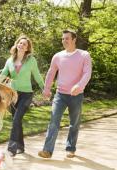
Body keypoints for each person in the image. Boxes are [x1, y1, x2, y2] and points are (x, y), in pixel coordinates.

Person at [38, 29, 92, 159]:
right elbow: (51, 73)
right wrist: (46, 89)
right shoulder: (57, 56)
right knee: (54, 121)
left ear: (74, 40)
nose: (64, 41)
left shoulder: (84, 55)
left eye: (67, 38)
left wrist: (79, 85)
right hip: (60, 95)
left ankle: (70, 148)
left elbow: (87, 73)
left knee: (74, 123)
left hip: (76, 95)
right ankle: (47, 150)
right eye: (63, 39)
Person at [1, 35, 45, 157]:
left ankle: (11, 149)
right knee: (17, 121)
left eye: (24, 44)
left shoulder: (31, 60)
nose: (21, 45)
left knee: (16, 120)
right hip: (13, 95)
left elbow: (37, 75)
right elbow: (3, 74)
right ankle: (20, 147)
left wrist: (45, 88)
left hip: (26, 94)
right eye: (20, 43)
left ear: (27, 48)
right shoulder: (10, 60)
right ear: (17, 44)